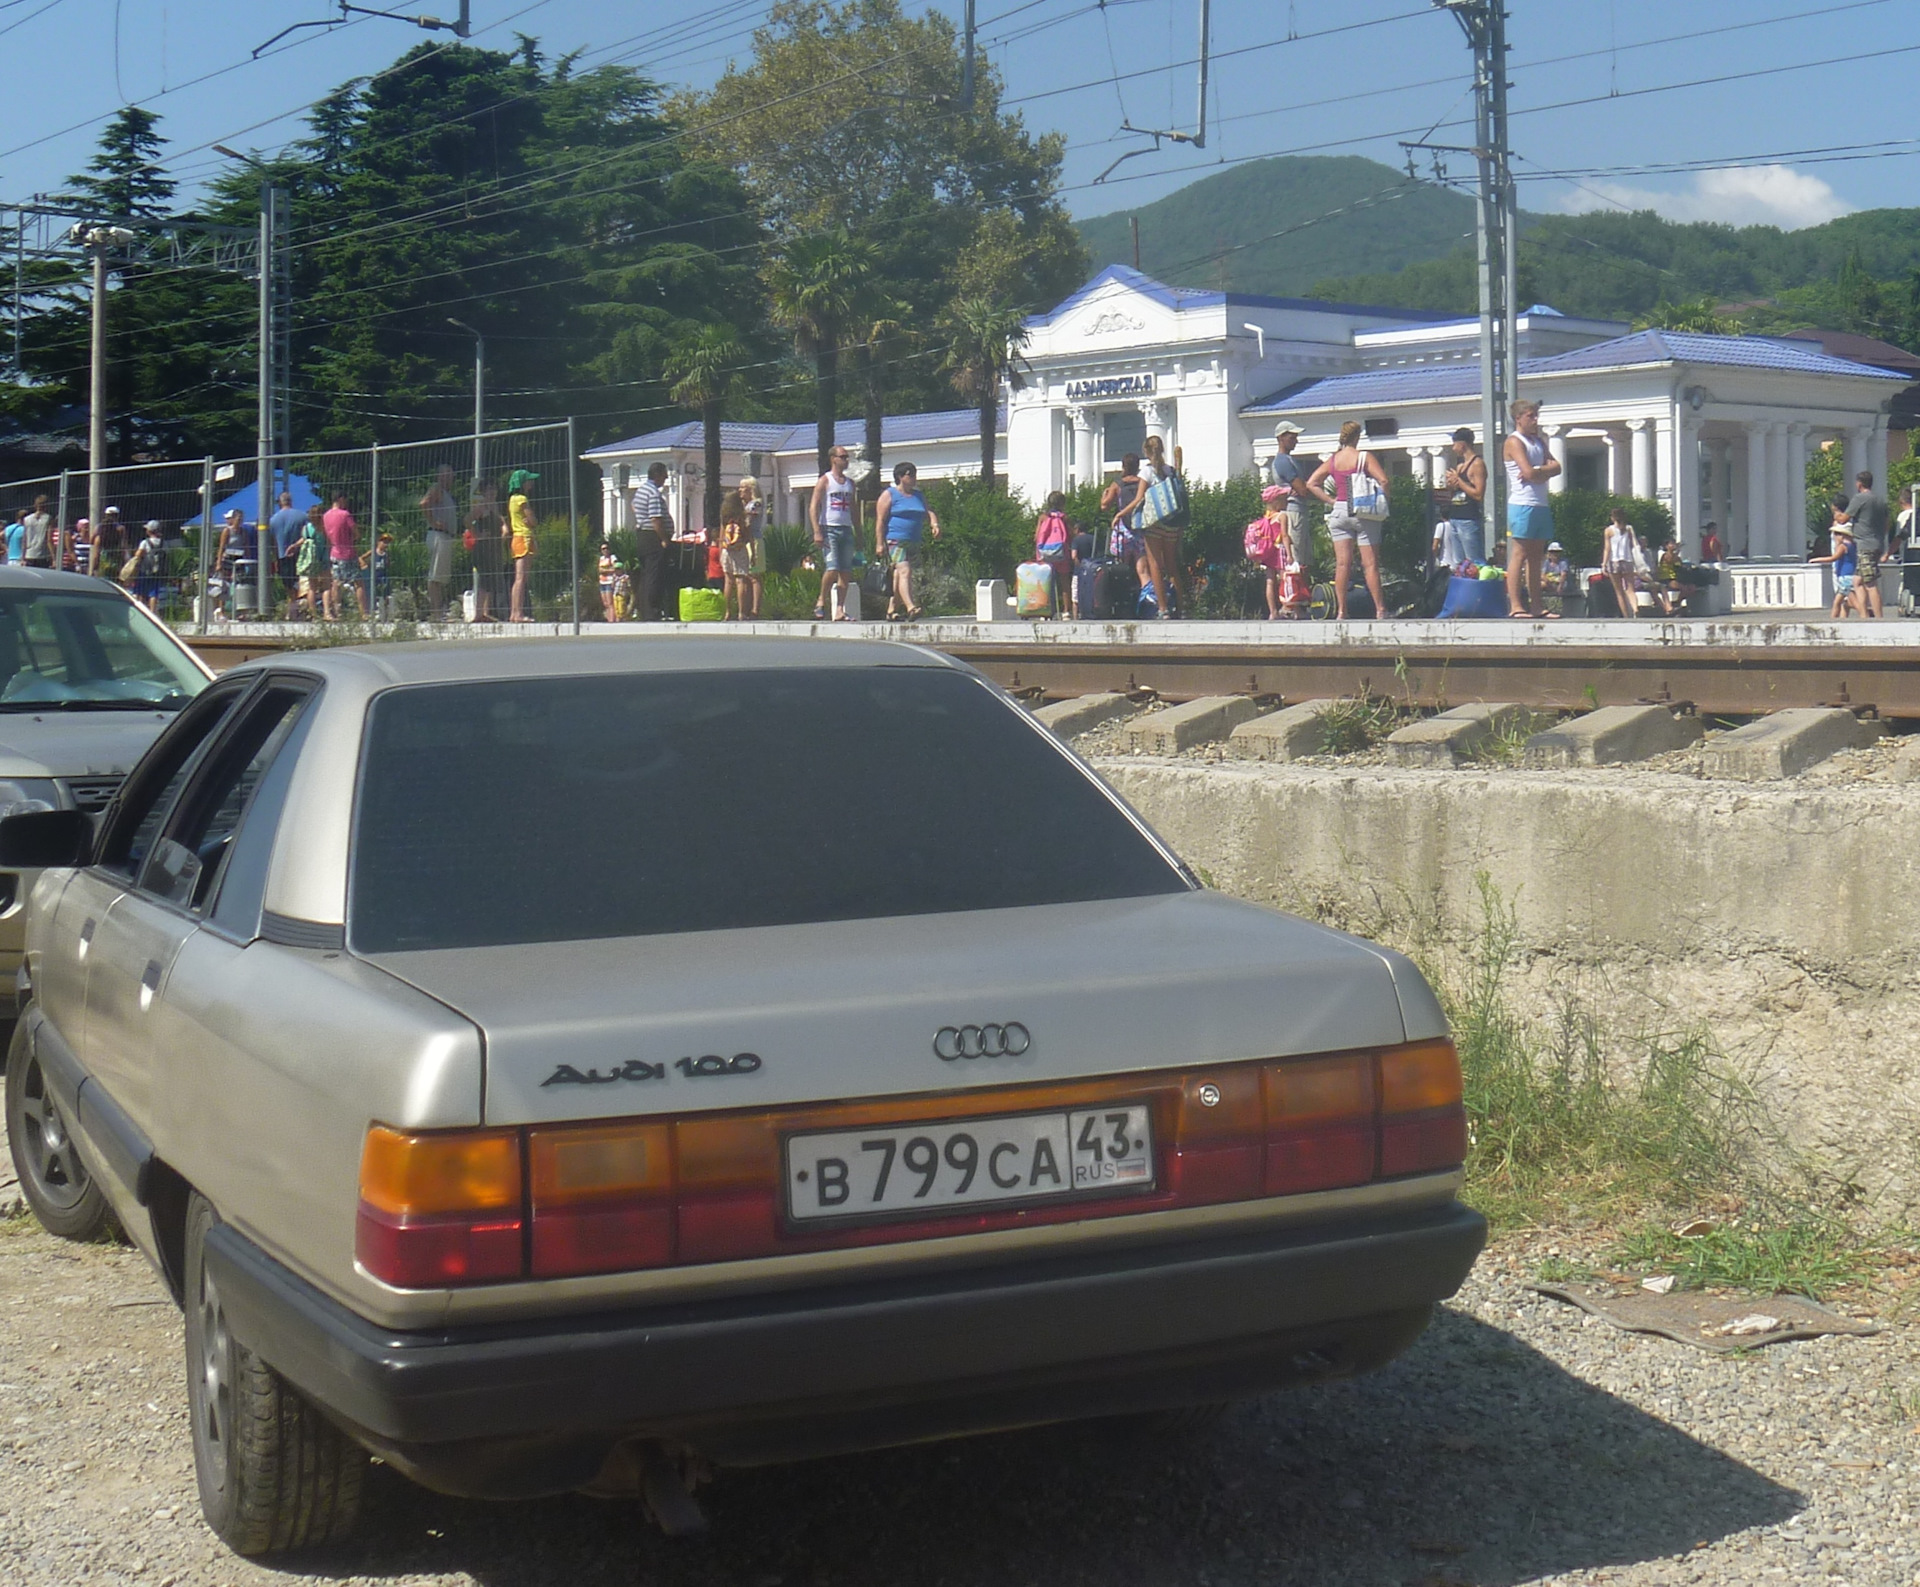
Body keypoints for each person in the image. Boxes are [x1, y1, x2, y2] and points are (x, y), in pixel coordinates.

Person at [1305, 420, 1390, 621]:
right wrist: (1382, 499)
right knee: (1370, 564)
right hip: (1363, 510)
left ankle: (1342, 611)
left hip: (1340, 511)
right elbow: (1384, 480)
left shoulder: (1334, 460)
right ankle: (1380, 610)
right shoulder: (1363, 457)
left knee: (1342, 564)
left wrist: (1331, 500)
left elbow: (1311, 483)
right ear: (1357, 436)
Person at [1503, 399, 1559, 617]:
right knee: (1520, 552)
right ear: (1518, 418)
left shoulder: (1538, 441)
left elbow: (1556, 467)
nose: (1535, 420)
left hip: (1540, 504)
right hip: (1522, 503)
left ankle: (1536, 606)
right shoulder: (1514, 442)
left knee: (1537, 556)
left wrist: (1538, 470)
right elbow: (1526, 472)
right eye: (1530, 416)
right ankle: (1516, 605)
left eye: (1536, 416)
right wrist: (1539, 471)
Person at [877, 460, 940, 620]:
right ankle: (911, 607)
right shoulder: (890, 494)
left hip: (913, 541)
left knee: (899, 575)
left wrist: (934, 524)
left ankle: (891, 610)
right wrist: (879, 543)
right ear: (900, 476)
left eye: (914, 474)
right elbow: (880, 520)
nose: (913, 478)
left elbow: (929, 511)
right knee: (905, 571)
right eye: (909, 474)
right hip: (895, 540)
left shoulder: (918, 496)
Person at [1138, 435, 1187, 619]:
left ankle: (1163, 608)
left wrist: (1121, 513)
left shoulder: (1147, 472)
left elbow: (1139, 498)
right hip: (1172, 523)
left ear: (1146, 451)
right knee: (1172, 565)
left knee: (1155, 565)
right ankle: (1181, 608)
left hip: (1154, 523)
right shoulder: (1170, 470)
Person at [809, 444, 858, 620]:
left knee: (845, 570)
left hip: (846, 528)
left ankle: (839, 609)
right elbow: (814, 505)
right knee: (832, 567)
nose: (846, 460)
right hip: (829, 527)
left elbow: (853, 509)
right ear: (833, 459)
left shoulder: (850, 483)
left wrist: (858, 532)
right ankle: (821, 600)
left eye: (847, 457)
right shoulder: (825, 480)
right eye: (842, 457)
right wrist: (816, 530)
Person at [1433, 428, 1487, 570]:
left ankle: (1479, 590)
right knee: (1459, 563)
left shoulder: (1477, 464)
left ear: (1462, 444)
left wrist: (1460, 482)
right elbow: (1457, 491)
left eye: (1454, 443)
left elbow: (1479, 494)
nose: (1453, 447)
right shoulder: (1460, 466)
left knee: (1475, 562)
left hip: (1469, 518)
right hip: (1455, 517)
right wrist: (1452, 485)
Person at [1100, 452, 1149, 589]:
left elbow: (1104, 506)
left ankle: (1123, 600)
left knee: (1122, 568)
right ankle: (1148, 599)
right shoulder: (1143, 483)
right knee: (1143, 570)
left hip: (1123, 530)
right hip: (1141, 529)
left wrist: (1104, 495)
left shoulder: (1117, 484)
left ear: (1123, 466)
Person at [1846, 469, 1889, 619]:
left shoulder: (1859, 498)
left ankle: (1879, 619)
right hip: (1876, 544)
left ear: (1859, 484)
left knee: (1870, 583)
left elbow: (1844, 518)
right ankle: (1864, 615)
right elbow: (1886, 524)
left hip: (1865, 546)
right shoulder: (1880, 500)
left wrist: (1837, 515)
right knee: (1857, 581)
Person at [419, 463, 459, 621]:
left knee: (440, 578)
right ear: (440, 476)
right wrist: (434, 522)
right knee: (435, 577)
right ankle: (436, 613)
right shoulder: (437, 489)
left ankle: (439, 611)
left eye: (451, 474)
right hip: (438, 535)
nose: (450, 477)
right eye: (446, 474)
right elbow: (424, 504)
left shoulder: (446, 493)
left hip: (445, 537)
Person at [632, 461, 670, 621]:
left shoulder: (642, 490)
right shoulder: (653, 493)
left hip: (642, 534)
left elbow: (633, 505)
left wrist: (640, 519)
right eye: (664, 475)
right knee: (654, 574)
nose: (666, 478)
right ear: (657, 475)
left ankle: (644, 610)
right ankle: (652, 611)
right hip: (652, 537)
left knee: (646, 574)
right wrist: (664, 539)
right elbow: (656, 519)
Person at [1246, 485, 1291, 620]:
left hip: (1268, 552)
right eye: (1283, 498)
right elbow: (1285, 536)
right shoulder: (1282, 516)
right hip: (1280, 550)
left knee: (1270, 581)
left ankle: (1273, 612)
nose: (1286, 501)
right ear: (1276, 501)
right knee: (1285, 579)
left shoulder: (1265, 518)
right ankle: (1286, 607)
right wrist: (1290, 554)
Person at [466, 477, 506, 621]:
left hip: (493, 548)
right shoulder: (482, 506)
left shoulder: (495, 506)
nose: (492, 492)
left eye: (493, 489)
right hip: (483, 548)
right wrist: (477, 534)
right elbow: (467, 520)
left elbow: (501, 521)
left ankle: (485, 612)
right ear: (483, 492)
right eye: (489, 489)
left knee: (491, 580)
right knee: (484, 580)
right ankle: (478, 614)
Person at [1033, 490, 1073, 619]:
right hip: (1061, 553)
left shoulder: (1043, 518)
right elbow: (1070, 535)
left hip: (1044, 554)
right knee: (1065, 582)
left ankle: (1045, 610)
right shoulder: (1064, 518)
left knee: (1045, 583)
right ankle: (1066, 611)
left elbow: (1036, 537)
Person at [506, 468, 539, 623]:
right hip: (524, 538)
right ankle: (518, 613)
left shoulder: (512, 499)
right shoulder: (522, 499)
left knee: (519, 578)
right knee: (521, 578)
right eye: (529, 480)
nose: (531, 482)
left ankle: (514, 613)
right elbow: (532, 521)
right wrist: (531, 521)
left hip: (516, 538)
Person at [1602, 507, 1644, 620]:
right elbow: (1634, 545)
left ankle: (1626, 616)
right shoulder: (1629, 529)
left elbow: (1607, 548)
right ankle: (1635, 608)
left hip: (1614, 561)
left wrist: (1604, 564)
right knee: (1630, 589)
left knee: (1619, 591)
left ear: (1612, 518)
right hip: (1628, 560)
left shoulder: (1608, 530)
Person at [322, 492, 359, 620]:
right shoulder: (345, 514)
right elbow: (356, 533)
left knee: (336, 583)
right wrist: (352, 539)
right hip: (348, 551)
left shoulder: (326, 516)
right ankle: (363, 612)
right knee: (358, 582)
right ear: (340, 499)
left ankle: (338, 610)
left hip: (334, 551)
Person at [268, 491, 306, 615]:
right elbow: (307, 536)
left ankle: (293, 608)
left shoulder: (273, 520)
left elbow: (272, 542)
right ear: (291, 501)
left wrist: (275, 558)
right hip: (301, 555)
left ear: (280, 502)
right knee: (302, 582)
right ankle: (299, 608)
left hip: (282, 555)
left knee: (289, 584)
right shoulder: (302, 516)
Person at [296, 503, 331, 620]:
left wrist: (294, 545)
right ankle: (327, 613)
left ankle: (313, 615)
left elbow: (303, 539)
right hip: (323, 559)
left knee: (312, 588)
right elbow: (328, 542)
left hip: (311, 561)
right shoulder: (324, 528)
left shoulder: (306, 528)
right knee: (326, 587)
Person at [361, 531, 394, 616]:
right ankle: (373, 609)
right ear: (378, 542)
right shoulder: (373, 551)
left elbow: (388, 564)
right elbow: (361, 558)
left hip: (383, 575)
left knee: (385, 593)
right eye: (384, 542)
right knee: (373, 592)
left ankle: (385, 610)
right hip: (374, 575)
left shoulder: (386, 554)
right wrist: (364, 565)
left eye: (387, 543)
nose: (385, 544)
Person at [93, 506, 126, 581]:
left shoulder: (99, 529)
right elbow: (123, 546)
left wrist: (94, 568)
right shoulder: (120, 529)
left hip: (103, 563)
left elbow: (95, 552)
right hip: (116, 562)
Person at [19, 495, 51, 569]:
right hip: (42, 553)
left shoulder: (27, 519)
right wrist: (54, 557)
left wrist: (22, 557)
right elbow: (49, 540)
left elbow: (24, 539)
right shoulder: (48, 518)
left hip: (29, 554)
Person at [597, 540, 623, 623]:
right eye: (603, 549)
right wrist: (605, 570)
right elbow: (599, 569)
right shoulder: (601, 559)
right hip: (602, 582)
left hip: (609, 581)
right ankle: (609, 619)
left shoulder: (612, 558)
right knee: (605, 603)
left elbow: (615, 568)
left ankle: (612, 620)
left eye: (606, 548)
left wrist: (605, 570)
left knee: (610, 602)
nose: (605, 550)